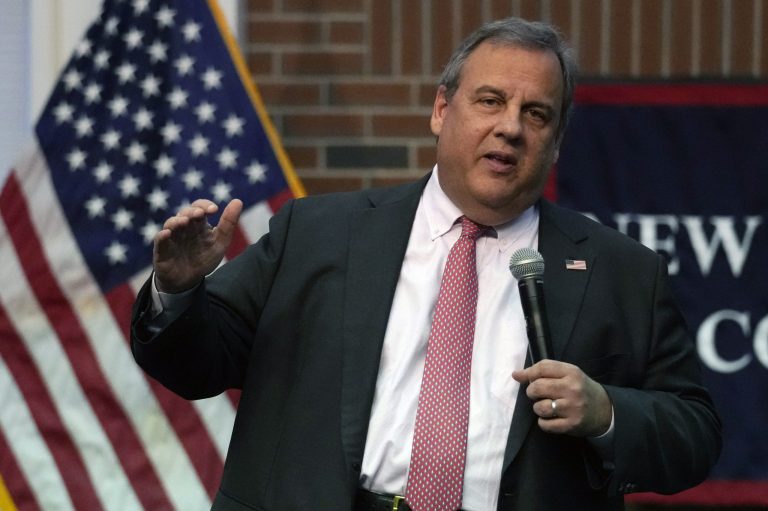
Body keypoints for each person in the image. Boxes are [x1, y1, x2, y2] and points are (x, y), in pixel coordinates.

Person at [131, 17, 721, 511]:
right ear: (442, 109)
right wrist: (178, 291)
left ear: (556, 141)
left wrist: (606, 411)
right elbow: (198, 366)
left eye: (537, 114)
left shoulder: (622, 273)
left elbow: (694, 433)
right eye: (490, 101)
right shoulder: (318, 234)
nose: (510, 127)